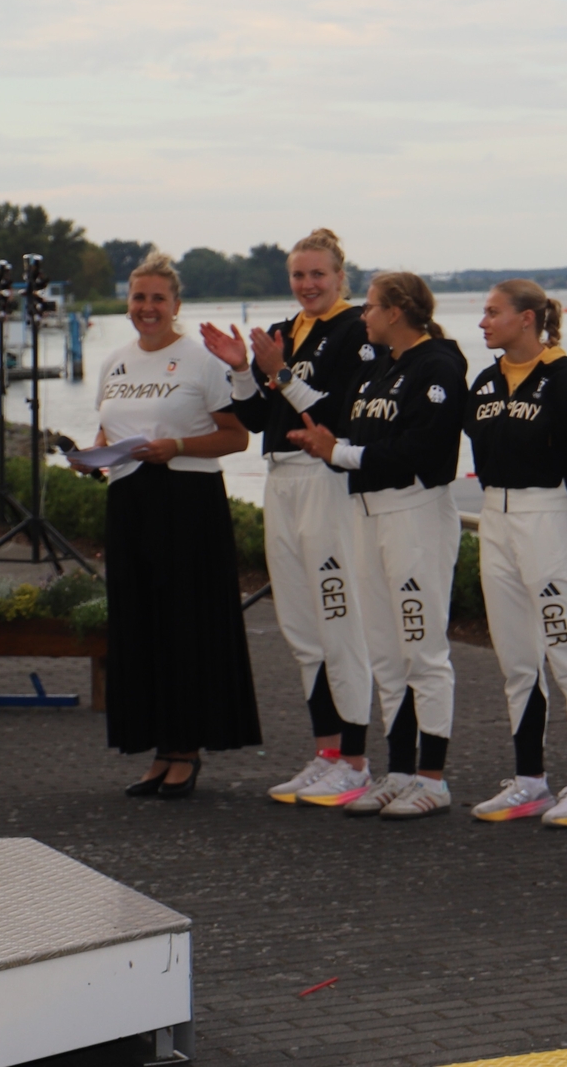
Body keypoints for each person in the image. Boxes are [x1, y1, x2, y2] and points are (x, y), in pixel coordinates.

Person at [204, 228, 378, 807]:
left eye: (318, 274)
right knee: (302, 629)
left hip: (326, 479)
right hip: (279, 477)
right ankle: (326, 753)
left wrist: (281, 374)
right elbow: (258, 418)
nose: (307, 284)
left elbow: (340, 417)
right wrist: (241, 369)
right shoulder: (285, 331)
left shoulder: (357, 331)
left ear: (340, 277)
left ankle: (355, 760)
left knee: (339, 622)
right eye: (299, 275)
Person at [288, 272, 467, 820]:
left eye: (369, 307)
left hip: (414, 515)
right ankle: (401, 771)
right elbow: (347, 434)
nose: (362, 315)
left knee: (422, 652)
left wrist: (337, 453)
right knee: (386, 655)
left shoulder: (439, 365)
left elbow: (417, 448)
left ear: (396, 312)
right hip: (366, 516)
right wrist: (324, 440)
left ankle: (433, 779)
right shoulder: (377, 367)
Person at [85, 251, 258, 797]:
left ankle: (187, 749)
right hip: (128, 501)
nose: (148, 307)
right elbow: (109, 433)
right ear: (128, 303)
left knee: (184, 625)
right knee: (138, 624)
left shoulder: (201, 360)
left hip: (186, 502)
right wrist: (91, 456)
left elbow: (237, 437)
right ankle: (159, 747)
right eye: (139, 297)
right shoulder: (115, 362)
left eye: (158, 298)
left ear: (176, 305)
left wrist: (177, 445)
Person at [464, 280, 567, 827]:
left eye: (493, 312)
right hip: (496, 520)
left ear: (527, 318)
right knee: (516, 659)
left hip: (553, 520)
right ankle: (529, 781)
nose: (483, 322)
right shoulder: (485, 382)